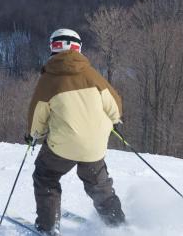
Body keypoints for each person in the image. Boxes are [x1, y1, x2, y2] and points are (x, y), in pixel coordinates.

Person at [25, 28, 125, 234]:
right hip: (94, 145)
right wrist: (116, 121)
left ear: (53, 47)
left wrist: (33, 135)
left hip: (63, 147)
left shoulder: (48, 79)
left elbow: (38, 114)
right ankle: (117, 225)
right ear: (78, 48)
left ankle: (48, 226)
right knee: (98, 184)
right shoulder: (91, 74)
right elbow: (113, 101)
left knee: (46, 177)